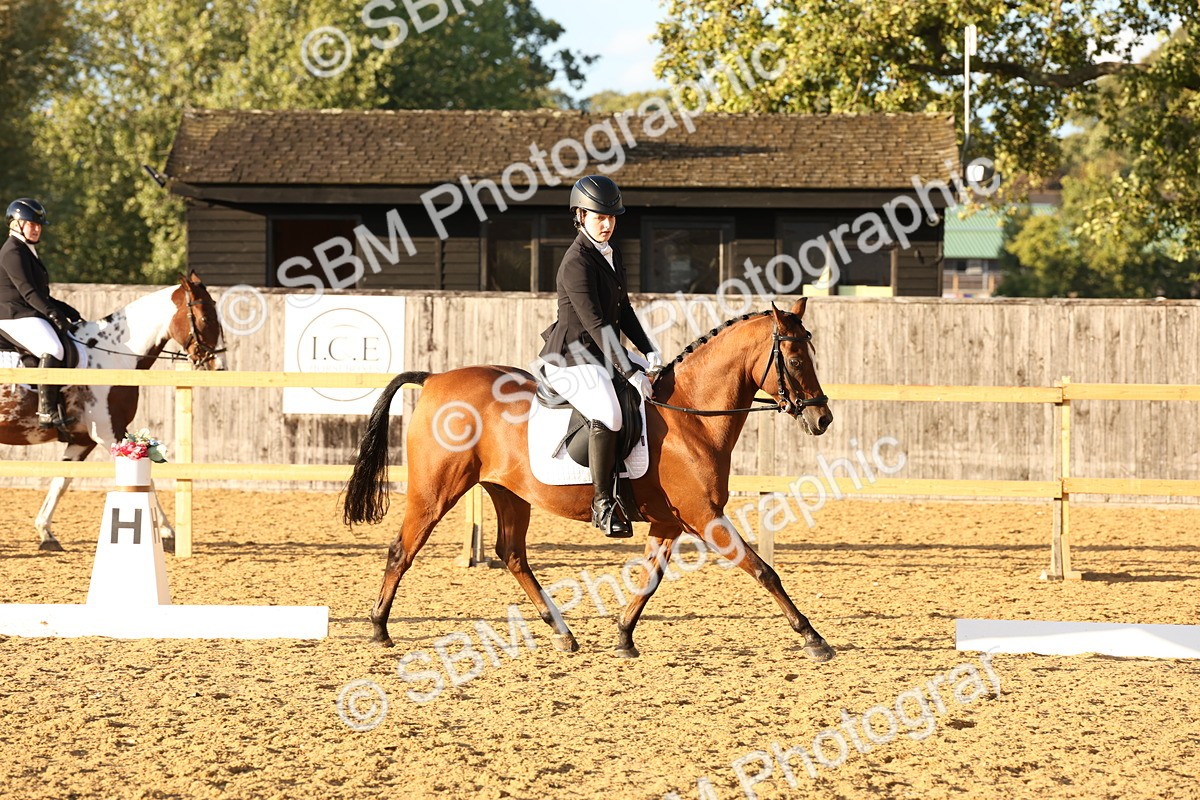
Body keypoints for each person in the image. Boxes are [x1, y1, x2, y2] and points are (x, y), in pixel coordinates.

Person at [538, 175, 662, 538]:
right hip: (571, 357)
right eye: (598, 217)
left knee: (660, 383)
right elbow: (595, 324)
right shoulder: (576, 262)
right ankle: (603, 503)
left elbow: (623, 312)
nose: (607, 224)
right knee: (607, 411)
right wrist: (629, 369)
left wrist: (649, 351)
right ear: (580, 215)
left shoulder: (612, 252)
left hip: (603, 352)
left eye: (611, 217)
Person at [0, 198, 82, 428]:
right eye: (31, 224)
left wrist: (66, 310)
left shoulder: (26, 250)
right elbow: (28, 293)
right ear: (15, 224)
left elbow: (41, 294)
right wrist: (53, 315)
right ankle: (46, 410)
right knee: (52, 348)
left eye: (39, 225)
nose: (37, 228)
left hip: (26, 313)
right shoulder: (12, 252)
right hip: (11, 315)